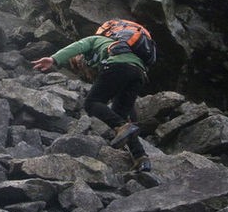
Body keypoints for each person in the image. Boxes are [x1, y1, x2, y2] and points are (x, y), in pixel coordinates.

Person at [32, 33, 152, 172]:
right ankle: (141, 158)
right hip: (139, 73)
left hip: (119, 66)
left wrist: (54, 59)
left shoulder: (96, 39)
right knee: (120, 116)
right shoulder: (118, 49)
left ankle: (121, 127)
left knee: (91, 103)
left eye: (77, 60)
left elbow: (78, 46)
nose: (79, 62)